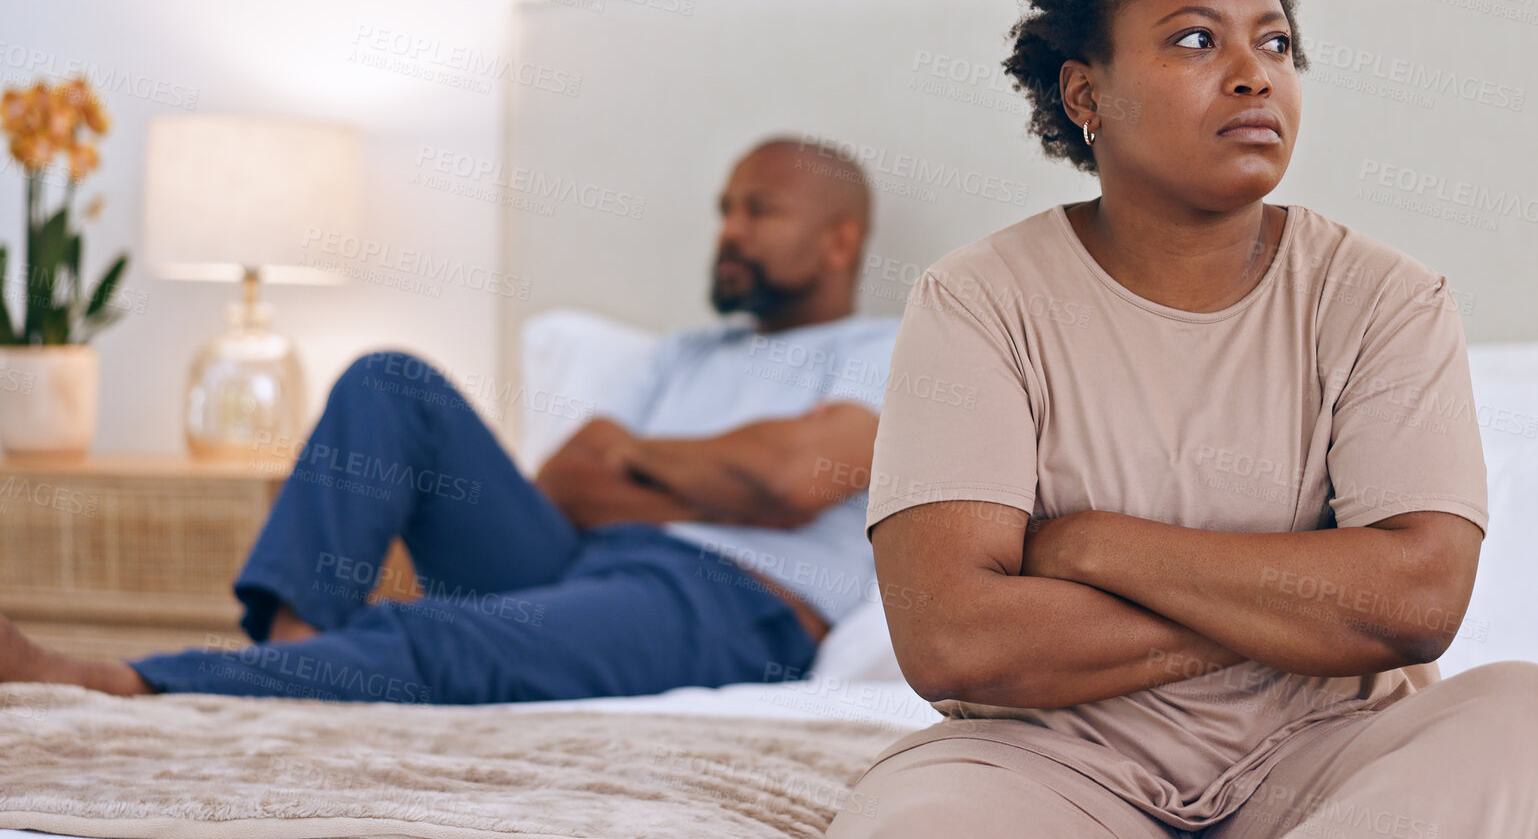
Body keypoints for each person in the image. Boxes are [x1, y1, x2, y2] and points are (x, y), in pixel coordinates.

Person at [825, 0, 1538, 839]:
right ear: (1085, 92)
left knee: (1531, 709)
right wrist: (1304, 602)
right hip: (1052, 764)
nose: (1253, 72)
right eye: (1197, 39)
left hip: (1330, 757)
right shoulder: (978, 302)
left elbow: (1418, 599)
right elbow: (953, 637)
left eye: (1275, 43)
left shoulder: (1385, 299)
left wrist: (1100, 548)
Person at [0, 138, 900, 705]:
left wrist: (639, 462)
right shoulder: (682, 355)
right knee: (390, 378)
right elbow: (566, 485)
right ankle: (292, 660)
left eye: (758, 210)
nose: (728, 230)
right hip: (577, 561)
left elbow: (795, 481)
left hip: (733, 603)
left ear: (839, 240)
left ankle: (122, 678)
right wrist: (723, 476)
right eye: (724, 209)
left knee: (453, 637)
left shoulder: (893, 343)